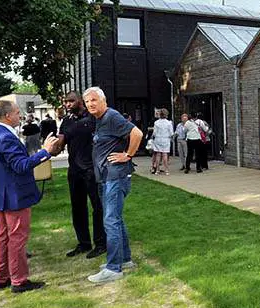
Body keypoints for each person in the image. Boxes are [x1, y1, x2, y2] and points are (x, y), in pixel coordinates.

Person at [0, 100, 57, 293]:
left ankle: (1, 277)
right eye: (17, 113)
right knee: (16, 238)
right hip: (14, 195)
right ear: (7, 115)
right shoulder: (5, 137)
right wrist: (45, 152)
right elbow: (21, 165)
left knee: (2, 237)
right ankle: (19, 280)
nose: (20, 116)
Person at [83, 87, 143, 284]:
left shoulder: (111, 116)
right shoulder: (100, 120)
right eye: (87, 102)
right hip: (106, 177)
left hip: (115, 177)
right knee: (116, 218)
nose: (90, 104)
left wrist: (128, 155)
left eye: (93, 100)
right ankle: (124, 260)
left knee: (111, 221)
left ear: (103, 101)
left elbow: (137, 133)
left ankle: (113, 268)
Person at [53, 91, 106, 260]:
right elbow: (60, 143)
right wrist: (52, 148)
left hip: (92, 170)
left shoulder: (93, 118)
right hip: (74, 170)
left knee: (98, 207)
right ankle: (83, 243)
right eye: (65, 102)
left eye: (71, 101)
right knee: (77, 207)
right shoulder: (66, 121)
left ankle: (101, 243)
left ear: (80, 101)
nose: (68, 104)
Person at [150, 109, 174, 175]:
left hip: (158, 139)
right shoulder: (169, 123)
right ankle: (166, 170)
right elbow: (171, 133)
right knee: (165, 154)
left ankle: (157, 170)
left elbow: (154, 133)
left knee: (158, 154)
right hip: (166, 139)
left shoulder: (156, 122)